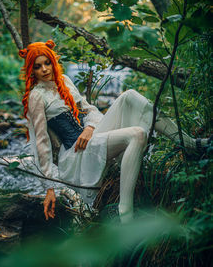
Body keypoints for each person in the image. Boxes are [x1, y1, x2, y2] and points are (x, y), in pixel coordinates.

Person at [19, 40, 209, 223]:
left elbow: (90, 110)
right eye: (37, 66)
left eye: (47, 63)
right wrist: (50, 188)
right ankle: (125, 213)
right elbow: (41, 143)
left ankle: (189, 144)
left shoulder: (65, 81)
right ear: (31, 70)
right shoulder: (36, 96)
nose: (44, 69)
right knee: (137, 134)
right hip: (76, 154)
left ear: (53, 62)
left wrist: (90, 128)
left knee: (129, 96)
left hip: (89, 136)